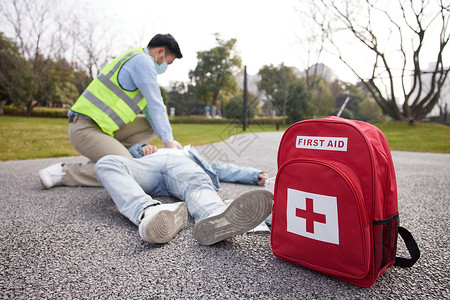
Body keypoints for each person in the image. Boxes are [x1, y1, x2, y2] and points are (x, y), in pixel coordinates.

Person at [39, 34, 183, 189]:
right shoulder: (143, 61)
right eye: (168, 62)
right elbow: (157, 105)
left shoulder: (136, 57)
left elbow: (152, 112)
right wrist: (170, 148)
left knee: (152, 125)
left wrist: (168, 141)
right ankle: (64, 172)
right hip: (84, 128)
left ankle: (111, 155)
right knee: (130, 170)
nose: (165, 67)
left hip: (105, 130)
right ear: (160, 52)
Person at [94, 143, 273, 245]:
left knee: (197, 183)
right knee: (106, 163)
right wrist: (141, 147)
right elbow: (128, 152)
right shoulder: (149, 149)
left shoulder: (188, 153)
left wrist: (253, 174)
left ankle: (216, 216)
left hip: (182, 166)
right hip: (149, 166)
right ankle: (148, 211)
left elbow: (221, 168)